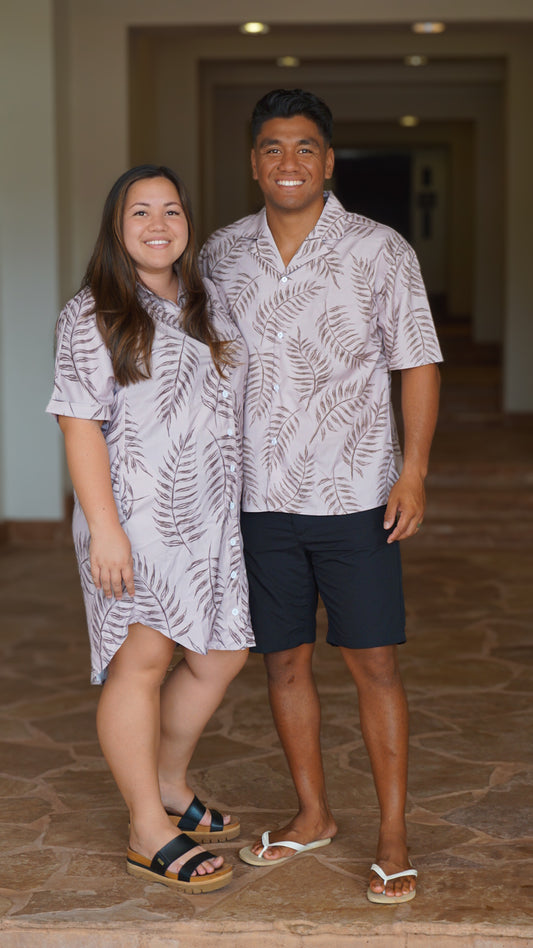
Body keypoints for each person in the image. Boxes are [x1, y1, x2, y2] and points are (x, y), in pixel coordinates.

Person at [200, 89, 442, 904]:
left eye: (304, 148)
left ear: (328, 161)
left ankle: (393, 830)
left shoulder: (379, 249)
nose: (288, 162)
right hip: (258, 497)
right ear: (253, 161)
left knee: (373, 662)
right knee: (285, 663)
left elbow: (417, 362)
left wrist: (411, 472)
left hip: (355, 493)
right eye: (272, 147)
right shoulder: (220, 254)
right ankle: (312, 815)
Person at [47, 165, 255, 894]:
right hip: (132, 518)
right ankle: (146, 826)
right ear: (117, 226)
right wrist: (104, 530)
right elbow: (79, 428)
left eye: (170, 211)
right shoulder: (94, 312)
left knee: (222, 652)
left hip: (209, 520)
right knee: (141, 660)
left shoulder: (208, 304)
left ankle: (167, 780)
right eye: (141, 212)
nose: (158, 224)